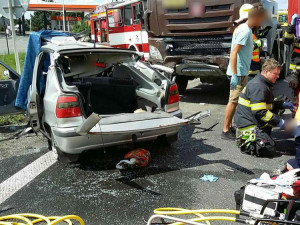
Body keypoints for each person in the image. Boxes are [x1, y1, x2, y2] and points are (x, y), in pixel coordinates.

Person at [222, 3, 267, 140]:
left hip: (241, 71)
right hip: (239, 72)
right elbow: (234, 53)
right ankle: (225, 130)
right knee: (233, 101)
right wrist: (235, 74)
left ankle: (229, 126)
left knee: (236, 101)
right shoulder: (245, 31)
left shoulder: (244, 29)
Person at [235, 59, 294, 157]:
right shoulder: (259, 86)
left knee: (279, 103)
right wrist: (279, 121)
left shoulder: (263, 83)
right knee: (269, 149)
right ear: (267, 72)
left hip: (252, 119)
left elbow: (265, 103)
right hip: (248, 125)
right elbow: (260, 112)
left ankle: (264, 133)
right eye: (276, 74)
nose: (278, 76)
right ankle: (247, 144)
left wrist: (281, 104)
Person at [283, 14, 300, 108]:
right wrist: (291, 26)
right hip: (297, 68)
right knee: (295, 93)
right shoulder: (297, 25)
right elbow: (286, 41)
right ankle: (296, 116)